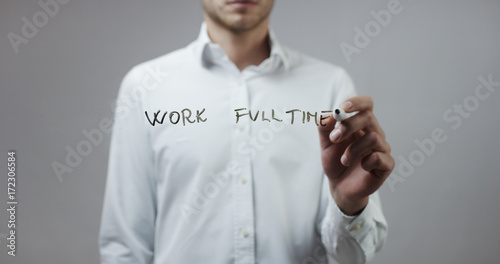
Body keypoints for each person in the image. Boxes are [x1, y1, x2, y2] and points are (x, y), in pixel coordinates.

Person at [99, 0, 395, 263]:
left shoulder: (330, 87)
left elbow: (351, 258)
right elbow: (125, 248)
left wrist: (349, 204)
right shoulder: (146, 87)